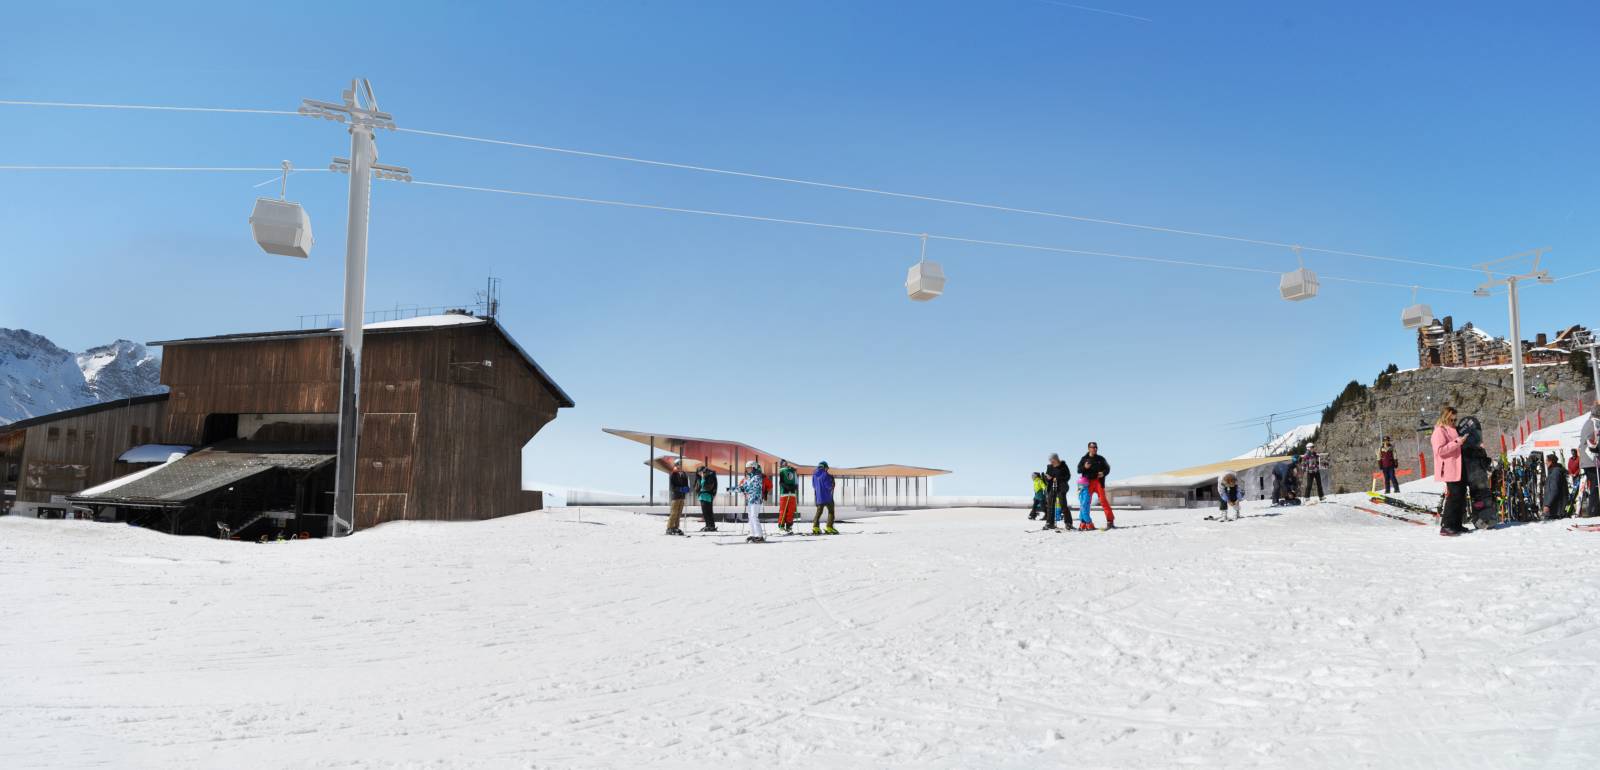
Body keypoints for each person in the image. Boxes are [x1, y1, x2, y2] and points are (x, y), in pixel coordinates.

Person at [1432, 405, 1470, 536]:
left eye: (1455, 420)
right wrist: (1458, 442)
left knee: (1460, 496)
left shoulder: (1453, 429)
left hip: (1459, 466)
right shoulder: (1439, 431)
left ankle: (1457, 524)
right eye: (1451, 420)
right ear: (1445, 418)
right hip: (1449, 467)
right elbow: (1440, 451)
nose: (1454, 422)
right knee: (1453, 497)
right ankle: (1446, 525)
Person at [1076, 442, 1116, 529]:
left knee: (1103, 501)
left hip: (1098, 482)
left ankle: (1110, 521)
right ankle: (1083, 523)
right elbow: (1078, 470)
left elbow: (1107, 468)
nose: (1094, 449)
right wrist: (1085, 467)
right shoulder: (1084, 459)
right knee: (1085, 503)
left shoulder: (1101, 459)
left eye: (1096, 447)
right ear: (1088, 448)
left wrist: (1103, 473)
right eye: (1092, 447)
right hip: (1087, 483)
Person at [736, 461, 767, 542]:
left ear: (754, 468)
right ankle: (753, 534)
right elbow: (744, 486)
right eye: (747, 468)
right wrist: (732, 489)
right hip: (750, 500)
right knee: (750, 517)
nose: (748, 470)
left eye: (749, 468)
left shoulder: (757, 477)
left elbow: (752, 487)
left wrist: (744, 488)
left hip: (756, 499)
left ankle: (759, 536)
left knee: (754, 516)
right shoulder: (749, 477)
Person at [1042, 454, 1071, 530]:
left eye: (1052, 460)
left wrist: (1057, 478)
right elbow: (1047, 478)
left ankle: (1068, 523)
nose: (1051, 462)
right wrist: (1047, 478)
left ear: (1056, 459)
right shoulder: (1049, 467)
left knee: (1063, 504)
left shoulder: (1063, 466)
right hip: (1052, 487)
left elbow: (1067, 476)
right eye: (1050, 461)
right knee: (1050, 505)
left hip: (1061, 487)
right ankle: (1049, 523)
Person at [1582, 406, 1600, 518]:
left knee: (1594, 485)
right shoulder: (1595, 423)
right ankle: (1594, 511)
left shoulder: (1589, 422)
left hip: (1588, 460)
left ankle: (1594, 510)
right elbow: (1593, 441)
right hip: (1593, 460)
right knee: (1596, 486)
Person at [665, 460, 691, 536]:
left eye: (681, 464)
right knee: (674, 513)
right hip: (676, 496)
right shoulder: (673, 474)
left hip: (682, 496)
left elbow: (686, 484)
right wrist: (680, 489)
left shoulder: (684, 474)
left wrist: (687, 488)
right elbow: (672, 487)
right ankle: (669, 527)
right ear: (676, 465)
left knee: (679, 513)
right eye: (679, 464)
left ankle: (676, 527)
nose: (680, 466)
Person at [812, 461, 838, 535]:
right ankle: (829, 527)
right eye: (827, 468)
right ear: (824, 467)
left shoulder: (814, 475)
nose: (827, 469)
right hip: (827, 497)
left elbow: (814, 486)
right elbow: (829, 486)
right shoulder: (826, 475)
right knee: (831, 512)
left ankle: (815, 527)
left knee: (819, 512)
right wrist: (832, 482)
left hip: (819, 497)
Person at [1542, 452, 1569, 519]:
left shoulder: (1555, 473)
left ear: (1551, 462)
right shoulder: (1554, 471)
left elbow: (1554, 490)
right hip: (1555, 509)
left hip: (1555, 510)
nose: (1545, 463)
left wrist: (1547, 504)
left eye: (1547, 461)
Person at [776, 459, 800, 533]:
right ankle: (781, 526)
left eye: (786, 463)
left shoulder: (793, 471)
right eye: (783, 463)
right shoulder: (782, 471)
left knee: (791, 511)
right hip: (784, 494)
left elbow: (796, 482)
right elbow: (781, 482)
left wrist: (794, 487)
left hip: (792, 494)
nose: (785, 464)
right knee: (783, 510)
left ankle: (789, 526)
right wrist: (786, 487)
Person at [695, 465, 719, 532]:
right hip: (702, 496)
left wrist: (703, 478)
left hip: (707, 496)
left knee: (707, 512)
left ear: (703, 472)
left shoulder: (709, 476)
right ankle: (709, 525)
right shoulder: (700, 477)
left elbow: (706, 487)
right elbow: (697, 486)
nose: (699, 474)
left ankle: (710, 526)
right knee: (706, 512)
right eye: (698, 473)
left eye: (700, 472)